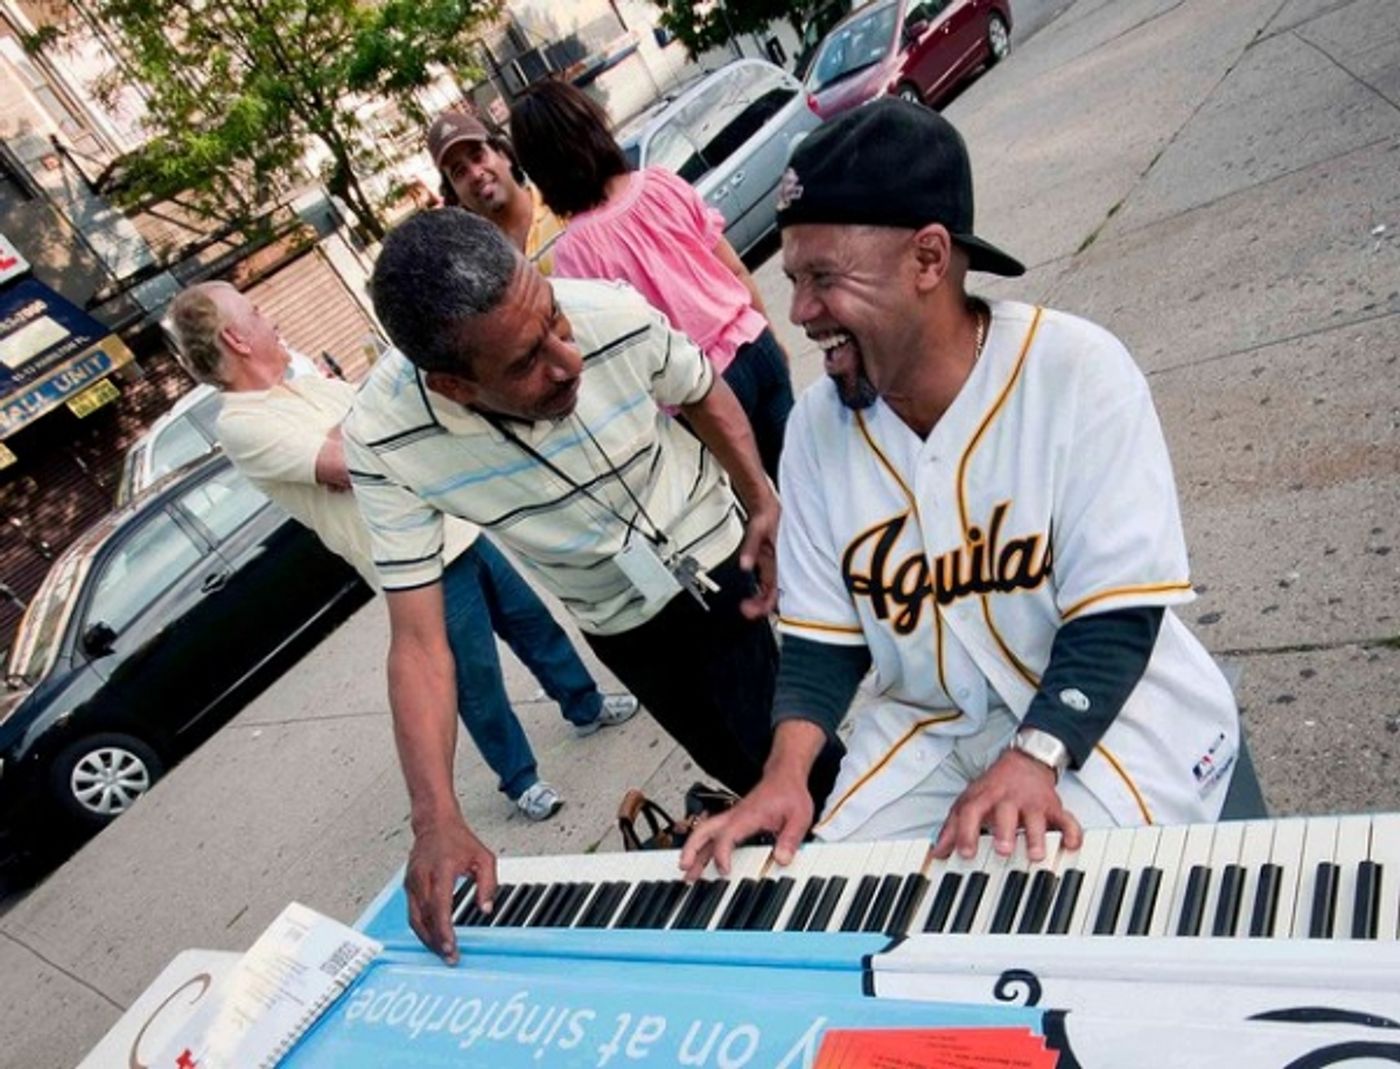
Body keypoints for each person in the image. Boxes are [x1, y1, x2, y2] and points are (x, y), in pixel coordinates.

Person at [681, 100, 1240, 880]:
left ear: (929, 259)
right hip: (934, 733)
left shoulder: (1075, 371)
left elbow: (1117, 611)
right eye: (793, 280)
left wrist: (1036, 753)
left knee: (1071, 896)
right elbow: (821, 638)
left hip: (1108, 714)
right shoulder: (814, 427)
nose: (801, 311)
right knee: (823, 892)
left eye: (823, 278)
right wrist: (783, 773)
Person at [341, 209, 841, 961]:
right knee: (731, 754)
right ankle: (817, 834)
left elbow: (702, 388)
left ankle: (859, 848)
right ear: (452, 386)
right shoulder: (382, 440)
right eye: (524, 363)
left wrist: (761, 497)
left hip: (711, 550)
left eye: (556, 321)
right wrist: (435, 816)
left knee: (780, 742)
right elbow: (418, 640)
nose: (567, 360)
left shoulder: (609, 312)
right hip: (614, 618)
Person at [163, 281, 638, 823]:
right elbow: (348, 467)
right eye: (253, 310)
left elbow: (381, 434)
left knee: (533, 623)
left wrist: (362, 425)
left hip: (455, 523)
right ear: (235, 339)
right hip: (412, 561)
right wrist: (368, 424)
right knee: (474, 676)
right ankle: (520, 779)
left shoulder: (302, 388)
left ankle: (585, 704)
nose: (266, 314)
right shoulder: (243, 423)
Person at [508, 80, 794, 482]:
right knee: (809, 480)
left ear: (542, 172)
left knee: (761, 513)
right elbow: (734, 269)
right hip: (753, 342)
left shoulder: (574, 253)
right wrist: (771, 335)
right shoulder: (661, 183)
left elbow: (614, 356)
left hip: (701, 392)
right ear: (594, 126)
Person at [425, 110, 565, 274]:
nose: (476, 175)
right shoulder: (478, 267)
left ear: (504, 155)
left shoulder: (564, 202)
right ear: (455, 195)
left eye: (478, 157)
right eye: (460, 172)